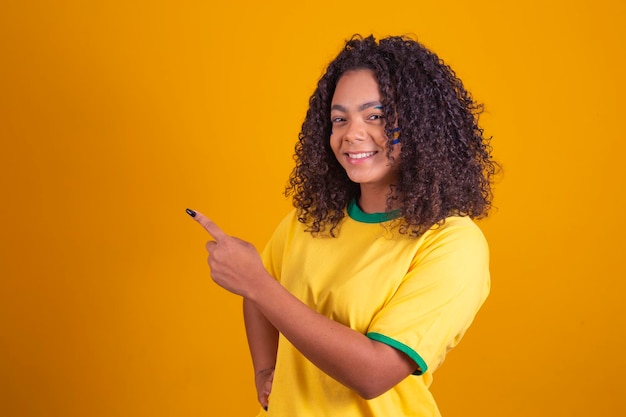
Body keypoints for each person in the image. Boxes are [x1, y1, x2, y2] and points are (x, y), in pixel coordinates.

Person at [187, 34, 497, 416]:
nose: (352, 134)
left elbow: (375, 372)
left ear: (422, 125)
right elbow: (261, 291)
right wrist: (266, 370)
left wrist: (256, 283)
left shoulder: (451, 243)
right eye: (339, 119)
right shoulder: (311, 221)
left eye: (376, 116)